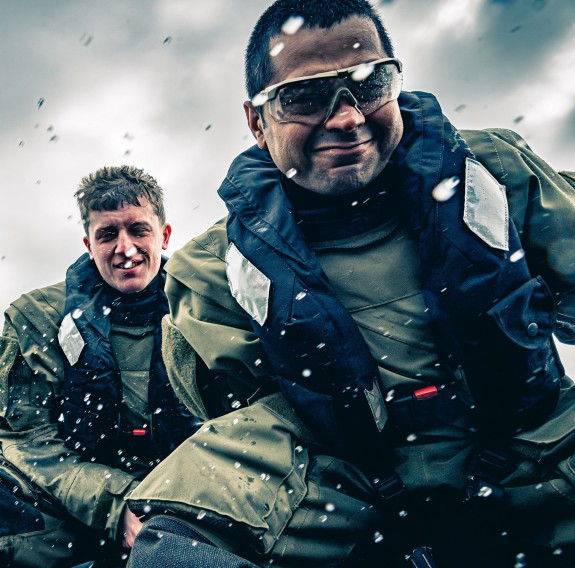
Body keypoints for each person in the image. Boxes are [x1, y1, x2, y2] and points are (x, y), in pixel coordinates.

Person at [126, 1, 575, 567]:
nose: (346, 118)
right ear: (256, 120)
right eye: (306, 97)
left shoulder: (495, 171)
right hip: (343, 481)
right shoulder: (211, 268)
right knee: (175, 544)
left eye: (369, 84)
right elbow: (239, 410)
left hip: (532, 443)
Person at [0, 166, 197, 568]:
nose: (125, 248)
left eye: (139, 231)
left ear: (164, 236)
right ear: (89, 245)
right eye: (108, 234)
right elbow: (25, 442)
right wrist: (114, 504)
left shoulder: (209, 306)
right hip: (67, 506)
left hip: (189, 498)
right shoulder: (35, 319)